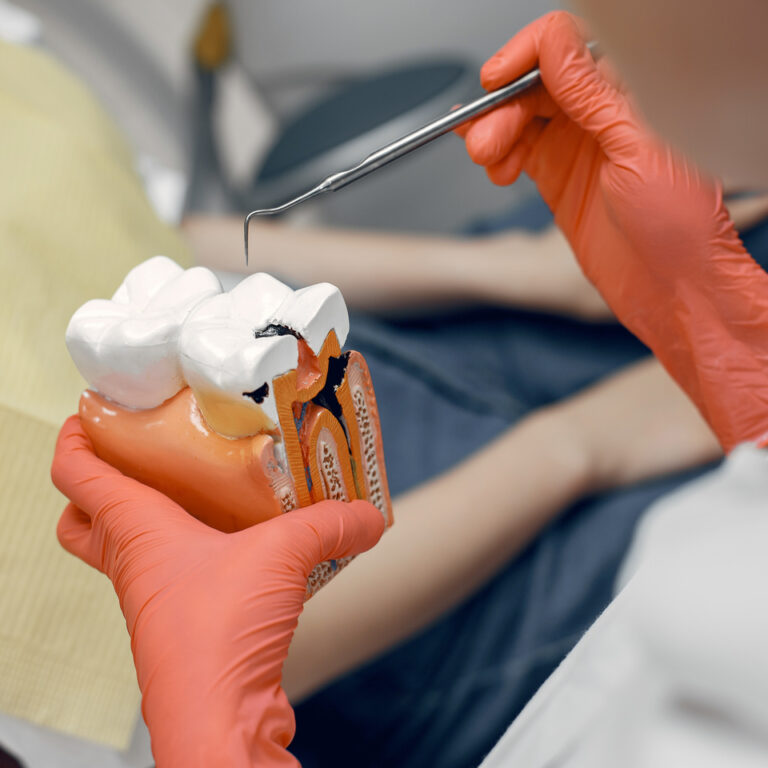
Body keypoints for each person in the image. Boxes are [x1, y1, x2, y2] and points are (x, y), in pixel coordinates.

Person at [50, 4, 768, 767]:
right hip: (414, 601)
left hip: (378, 362)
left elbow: (160, 231)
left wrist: (536, 277)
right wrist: (583, 441)